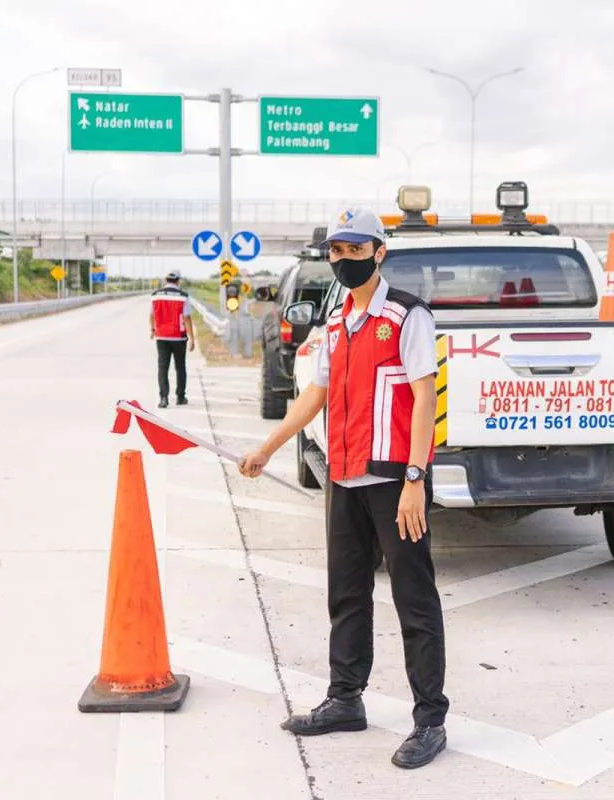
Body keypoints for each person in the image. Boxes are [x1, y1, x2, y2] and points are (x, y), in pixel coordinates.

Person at [238, 207, 450, 770]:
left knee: (415, 599)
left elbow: (426, 399)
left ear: (379, 253)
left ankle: (430, 719)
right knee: (347, 594)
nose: (343, 260)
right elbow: (316, 396)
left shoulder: (407, 316)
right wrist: (269, 446)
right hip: (344, 475)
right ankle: (345, 699)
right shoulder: (335, 325)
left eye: (355, 251)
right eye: (336, 251)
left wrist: (414, 477)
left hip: (392, 480)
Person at [150, 269, 195, 408]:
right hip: (178, 337)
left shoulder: (155, 296)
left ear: (166, 281)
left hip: (162, 336)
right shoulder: (183, 296)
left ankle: (164, 398)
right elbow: (187, 318)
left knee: (163, 368)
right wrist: (192, 338)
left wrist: (152, 330)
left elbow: (151, 315)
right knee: (180, 367)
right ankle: (180, 397)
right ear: (178, 281)